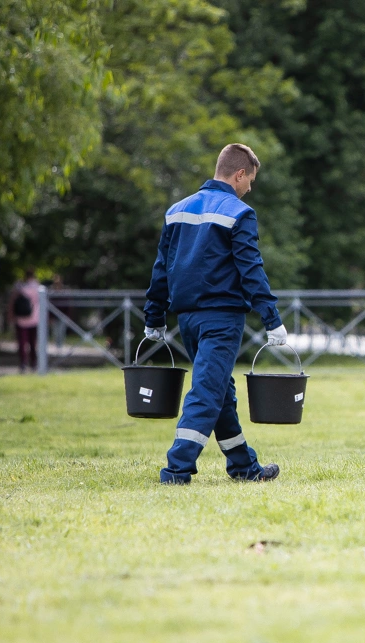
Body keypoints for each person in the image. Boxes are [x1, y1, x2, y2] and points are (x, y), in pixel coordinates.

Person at [143, 143, 286, 484]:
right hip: (221, 320)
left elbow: (161, 268)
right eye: (250, 180)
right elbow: (251, 270)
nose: (249, 189)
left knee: (220, 390)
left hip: (187, 319)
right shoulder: (240, 213)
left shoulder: (177, 210)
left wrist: (154, 316)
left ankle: (243, 466)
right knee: (207, 391)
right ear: (239, 174)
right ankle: (176, 470)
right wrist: (272, 319)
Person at [8, 271, 40, 372]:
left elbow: (12, 302)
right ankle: (34, 362)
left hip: (21, 319)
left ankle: (23, 362)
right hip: (35, 318)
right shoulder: (37, 287)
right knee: (33, 342)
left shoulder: (19, 287)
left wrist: (11, 315)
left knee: (22, 342)